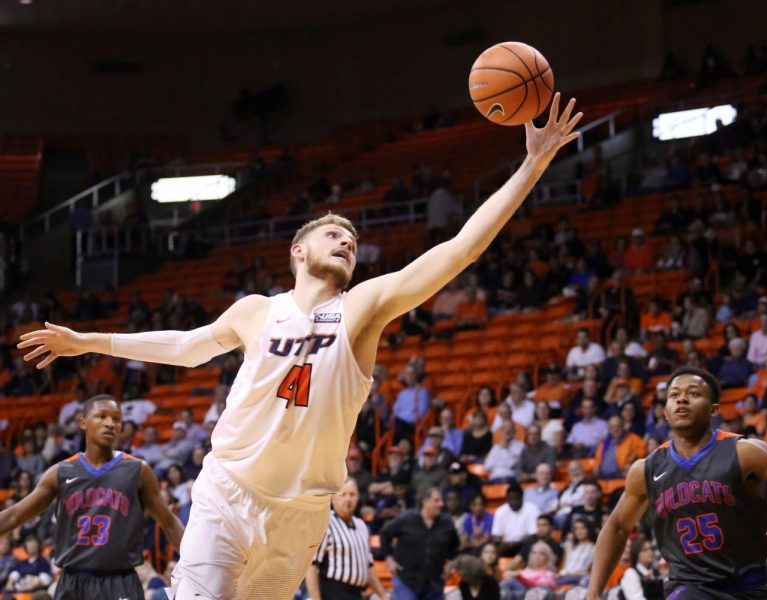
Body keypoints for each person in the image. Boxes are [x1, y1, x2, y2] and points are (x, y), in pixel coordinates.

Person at [18, 94, 582, 600]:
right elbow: (186, 347)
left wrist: (532, 165)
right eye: (334, 235)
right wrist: (87, 341)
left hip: (301, 514)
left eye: (353, 241)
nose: (347, 243)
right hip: (227, 495)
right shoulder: (257, 309)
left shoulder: (363, 307)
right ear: (298, 250)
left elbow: (458, 251)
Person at [586, 366, 767, 599]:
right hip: (690, 586)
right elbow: (617, 526)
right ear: (666, 410)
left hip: (752, 584)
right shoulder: (646, 469)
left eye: (693, 393)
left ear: (714, 409)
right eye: (674, 395)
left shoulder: (745, 452)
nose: (682, 399)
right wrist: (594, 591)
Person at [0, 395, 184, 600]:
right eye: (102, 416)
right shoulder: (61, 472)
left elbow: (168, 523)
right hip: (73, 582)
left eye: (116, 419)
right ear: (83, 423)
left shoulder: (138, 470)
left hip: (121, 582)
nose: (110, 423)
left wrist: (200, 563)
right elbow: (15, 516)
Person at [306, 478, 390, 600]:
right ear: (333, 498)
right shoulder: (325, 524)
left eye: (352, 494)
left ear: (358, 498)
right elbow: (311, 566)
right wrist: (316, 598)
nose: (348, 499)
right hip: (332, 592)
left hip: (357, 593)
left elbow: (368, 567)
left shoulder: (362, 526)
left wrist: (383, 596)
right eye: (343, 494)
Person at [380, 486, 460, 600]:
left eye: (441, 500)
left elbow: (455, 544)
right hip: (407, 580)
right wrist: (389, 558)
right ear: (425, 501)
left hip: (435, 581)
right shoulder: (406, 519)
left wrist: (450, 561)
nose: (441, 504)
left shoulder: (447, 522)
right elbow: (384, 534)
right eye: (436, 500)